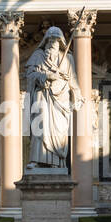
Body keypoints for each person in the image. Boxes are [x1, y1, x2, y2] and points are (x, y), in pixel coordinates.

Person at [25, 27, 83, 169]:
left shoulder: (67, 59)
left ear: (61, 43)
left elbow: (73, 80)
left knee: (59, 131)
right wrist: (46, 76)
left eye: (56, 42)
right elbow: (30, 75)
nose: (52, 44)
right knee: (40, 125)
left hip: (60, 99)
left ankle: (56, 162)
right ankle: (36, 160)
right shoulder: (38, 56)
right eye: (50, 41)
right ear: (45, 42)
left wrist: (77, 96)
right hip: (42, 96)